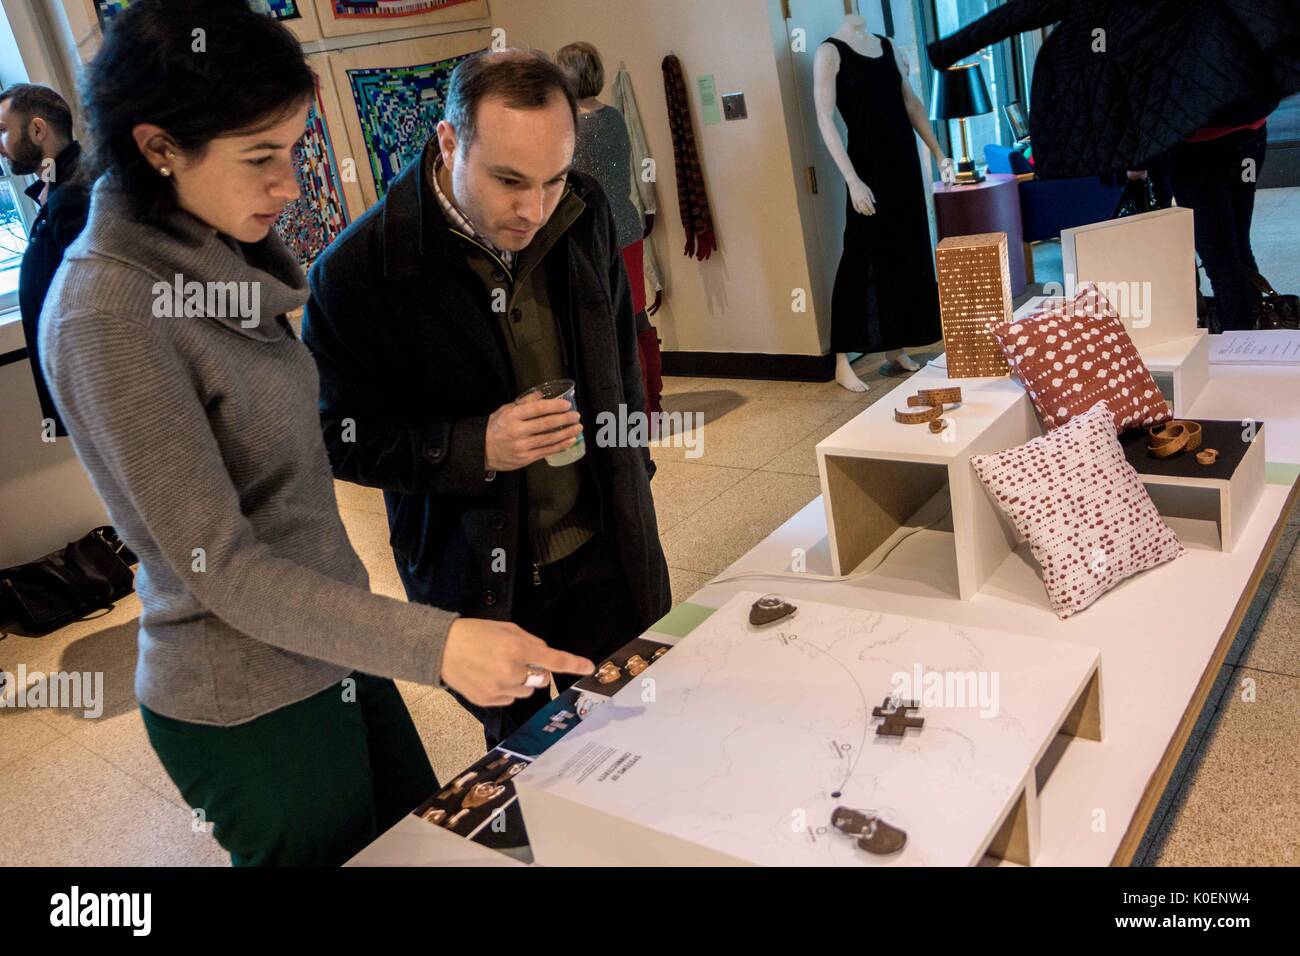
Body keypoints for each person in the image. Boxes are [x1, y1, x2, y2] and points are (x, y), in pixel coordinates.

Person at [38, 0, 591, 867]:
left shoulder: (213, 253)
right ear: (158, 149)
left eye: (292, 149)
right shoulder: (107, 313)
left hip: (332, 643)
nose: (291, 185)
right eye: (261, 158)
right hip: (246, 695)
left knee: (425, 848)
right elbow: (219, 564)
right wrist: (439, 641)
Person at [303, 49, 672, 750]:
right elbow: (338, 437)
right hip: (484, 578)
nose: (533, 209)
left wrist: (636, 471)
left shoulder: (586, 209)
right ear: (449, 141)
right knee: (532, 761)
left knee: (640, 732)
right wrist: (477, 445)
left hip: (608, 545)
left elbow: (619, 352)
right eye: (508, 180)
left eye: (552, 179)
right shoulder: (357, 273)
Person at [555, 41, 663, 415]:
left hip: (593, 232)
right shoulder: (615, 116)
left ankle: (636, 407)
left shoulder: (570, 128)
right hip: (627, 224)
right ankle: (653, 400)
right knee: (636, 314)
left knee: (613, 322)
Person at [0, 84, 89, 437]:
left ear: (38, 130)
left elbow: (93, 302)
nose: (0, 146)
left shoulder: (75, 196)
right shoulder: (59, 188)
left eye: (3, 131)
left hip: (98, 387)